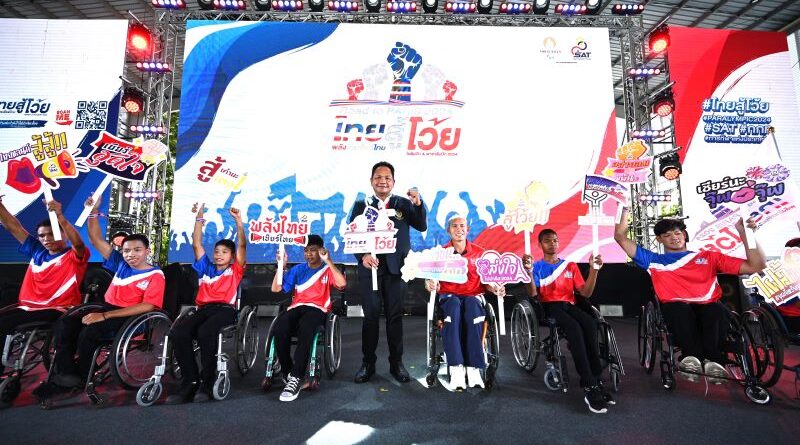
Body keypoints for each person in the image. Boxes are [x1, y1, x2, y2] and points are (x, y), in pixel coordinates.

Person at [614, 208, 765, 385]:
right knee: (679, 310)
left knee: (716, 310)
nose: (674, 237)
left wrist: (746, 234)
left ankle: (714, 361)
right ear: (659, 239)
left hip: (707, 304)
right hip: (676, 307)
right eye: (667, 235)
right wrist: (624, 211)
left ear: (684, 235)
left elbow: (756, 265)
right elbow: (620, 237)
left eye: (678, 233)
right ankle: (690, 358)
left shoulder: (709, 257)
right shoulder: (652, 260)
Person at [44, 196, 165, 392]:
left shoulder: (155, 275)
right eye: (126, 251)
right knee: (66, 323)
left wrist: (105, 315)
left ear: (147, 251)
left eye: (137, 250)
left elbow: (147, 306)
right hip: (107, 309)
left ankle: (82, 375)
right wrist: (93, 211)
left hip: (132, 317)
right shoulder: (121, 264)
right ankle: (66, 373)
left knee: (89, 332)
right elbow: (95, 239)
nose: (130, 254)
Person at [349, 161, 427, 384]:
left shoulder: (404, 204)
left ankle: (396, 363)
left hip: (397, 269)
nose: (382, 181)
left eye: (387, 178)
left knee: (395, 317)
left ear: (393, 181)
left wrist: (418, 204)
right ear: (371, 181)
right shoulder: (361, 205)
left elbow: (421, 225)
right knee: (370, 317)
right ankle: (368, 363)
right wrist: (362, 256)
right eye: (378, 177)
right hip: (370, 269)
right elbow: (352, 234)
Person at [165, 203, 246, 404]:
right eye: (217, 251)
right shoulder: (205, 268)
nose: (219, 254)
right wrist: (199, 216)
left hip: (225, 310)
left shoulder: (235, 270)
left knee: (205, 332)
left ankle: (207, 382)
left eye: (224, 252)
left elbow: (242, 246)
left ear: (232, 256)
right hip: (203, 309)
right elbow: (196, 244)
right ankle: (190, 381)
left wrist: (238, 221)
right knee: (178, 333)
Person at [0, 198, 89, 379]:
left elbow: (79, 244)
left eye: (51, 234)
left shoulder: (74, 256)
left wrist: (60, 216)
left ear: (64, 235)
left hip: (56, 309)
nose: (46, 239)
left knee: (3, 325)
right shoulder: (37, 251)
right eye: (42, 236)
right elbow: (13, 226)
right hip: (28, 307)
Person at [521, 228, 608, 414]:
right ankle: (588, 384)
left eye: (555, 240)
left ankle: (597, 379)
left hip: (570, 304)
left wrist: (594, 271)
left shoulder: (570, 266)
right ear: (539, 245)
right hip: (550, 306)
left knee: (590, 324)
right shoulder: (537, 267)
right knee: (574, 329)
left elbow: (585, 293)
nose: (552, 243)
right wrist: (528, 272)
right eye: (547, 241)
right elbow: (533, 293)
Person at [424, 215, 504, 390]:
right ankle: (456, 368)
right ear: (448, 230)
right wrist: (429, 284)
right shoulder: (440, 253)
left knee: (472, 306)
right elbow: (429, 279)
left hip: (473, 296)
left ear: (468, 230)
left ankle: (474, 368)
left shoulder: (480, 253)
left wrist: (495, 288)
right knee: (453, 306)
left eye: (462, 226)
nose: (459, 229)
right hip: (449, 297)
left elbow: (487, 282)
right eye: (454, 226)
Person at [271, 234, 346, 401]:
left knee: (306, 327)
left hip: (317, 310)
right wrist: (281, 265)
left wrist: (328, 261)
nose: (309, 254)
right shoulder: (298, 269)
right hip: (297, 307)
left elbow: (341, 284)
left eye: (313, 250)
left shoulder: (327, 269)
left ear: (321, 250)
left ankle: (296, 377)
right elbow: (276, 289)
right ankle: (289, 372)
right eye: (306, 250)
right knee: (280, 327)